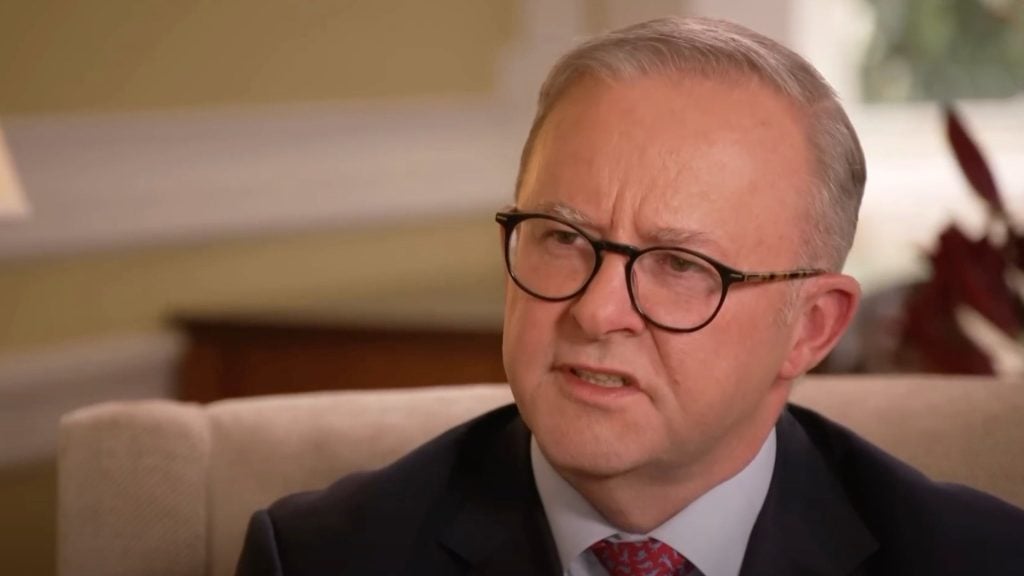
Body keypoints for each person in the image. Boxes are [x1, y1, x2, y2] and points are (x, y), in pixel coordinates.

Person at [235, 16, 1024, 576]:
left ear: (811, 329)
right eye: (562, 236)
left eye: (680, 265)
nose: (595, 311)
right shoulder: (321, 556)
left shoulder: (976, 558)